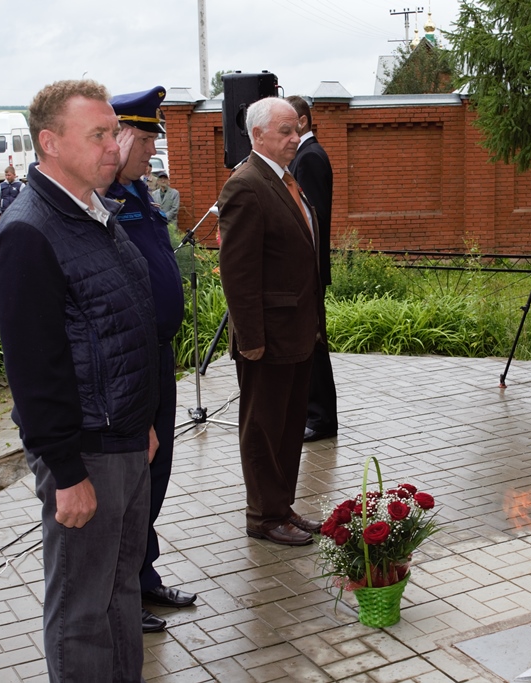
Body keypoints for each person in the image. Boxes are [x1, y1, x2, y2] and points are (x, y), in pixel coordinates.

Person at [0, 80, 159, 683]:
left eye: (115, 133)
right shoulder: (29, 233)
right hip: (85, 451)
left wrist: (146, 425)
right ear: (50, 144)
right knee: (81, 610)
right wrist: (66, 472)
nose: (116, 147)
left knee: (120, 593)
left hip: (124, 440)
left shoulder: (94, 213)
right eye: (100, 135)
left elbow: (127, 326)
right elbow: (35, 371)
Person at [104, 86, 196, 634]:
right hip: (130, 362)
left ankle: (144, 574)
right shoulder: (106, 199)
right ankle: (121, 593)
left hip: (158, 355)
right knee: (131, 478)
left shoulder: (137, 194)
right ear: (120, 137)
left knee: (154, 473)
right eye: (145, 141)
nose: (151, 153)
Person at [217, 97, 326, 547]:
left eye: (295, 129)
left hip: (297, 332)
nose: (294, 138)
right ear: (257, 134)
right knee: (264, 427)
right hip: (268, 337)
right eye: (284, 131)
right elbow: (238, 273)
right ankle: (263, 515)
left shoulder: (283, 179)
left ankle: (281, 507)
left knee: (287, 426)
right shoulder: (246, 185)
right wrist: (252, 340)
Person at [286, 95, 338, 442]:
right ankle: (315, 413)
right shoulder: (306, 155)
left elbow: (312, 219)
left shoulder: (309, 158)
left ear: (303, 121)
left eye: (290, 125)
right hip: (308, 271)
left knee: (314, 342)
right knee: (310, 340)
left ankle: (320, 418)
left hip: (309, 271)